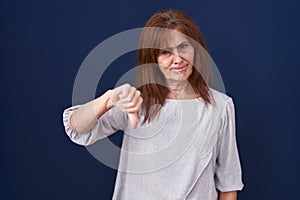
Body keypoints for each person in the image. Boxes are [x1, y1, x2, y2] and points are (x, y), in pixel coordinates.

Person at [63, 9, 244, 200]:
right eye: (165, 52)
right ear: (153, 59)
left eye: (183, 46)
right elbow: (77, 128)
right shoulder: (135, 102)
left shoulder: (220, 106)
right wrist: (107, 99)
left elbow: (228, 182)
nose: (177, 59)